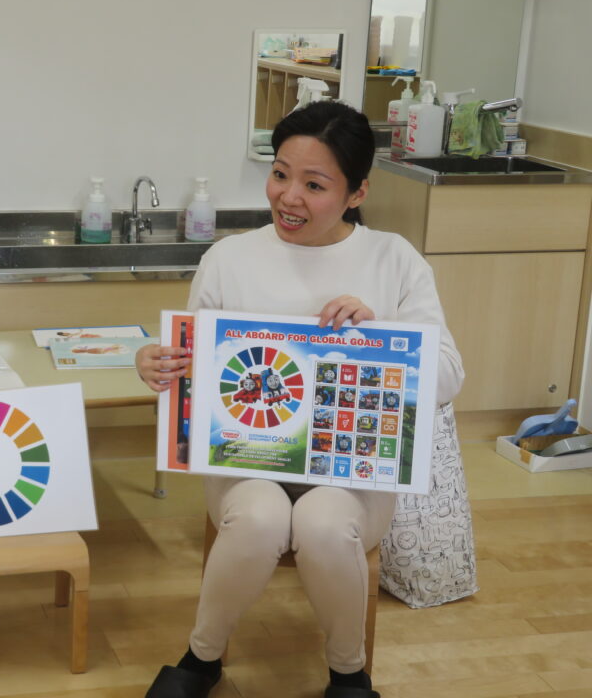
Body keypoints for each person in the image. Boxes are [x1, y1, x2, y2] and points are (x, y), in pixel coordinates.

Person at [135, 101, 464, 698]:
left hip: (352, 471)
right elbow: (196, 363)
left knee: (322, 523)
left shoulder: (395, 260)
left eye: (314, 184)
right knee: (259, 518)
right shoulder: (229, 257)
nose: (289, 197)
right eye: (280, 174)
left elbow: (447, 377)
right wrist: (159, 365)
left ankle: (349, 674)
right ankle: (200, 659)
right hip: (247, 462)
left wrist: (376, 336)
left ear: (357, 192)